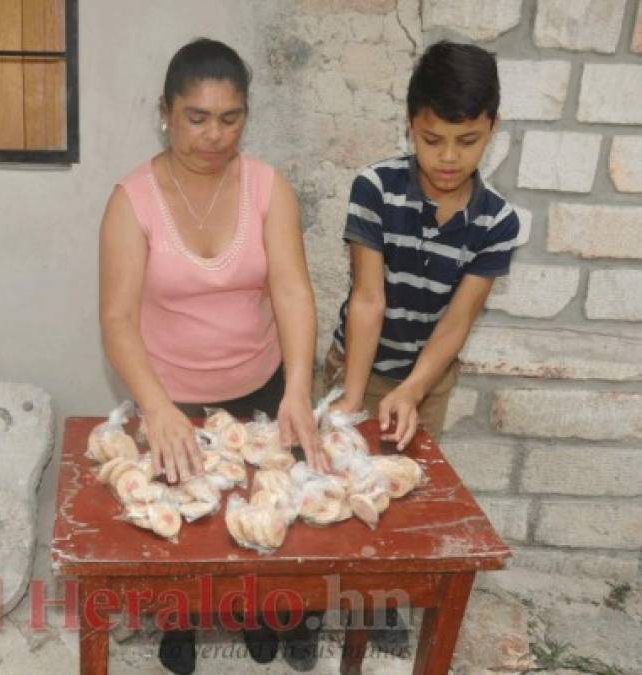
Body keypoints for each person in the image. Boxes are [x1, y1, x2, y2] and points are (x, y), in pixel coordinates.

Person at [98, 38, 323, 674]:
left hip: (262, 385)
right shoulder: (132, 201)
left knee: (267, 508)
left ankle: (256, 610)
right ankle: (182, 623)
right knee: (184, 522)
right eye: (197, 117)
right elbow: (116, 320)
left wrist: (299, 390)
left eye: (230, 118)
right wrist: (156, 408)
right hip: (172, 397)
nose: (213, 136)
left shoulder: (267, 190)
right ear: (165, 112)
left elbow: (292, 291)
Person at [325, 40, 522, 650]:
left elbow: (457, 322)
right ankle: (306, 604)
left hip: (426, 380)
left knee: (394, 497)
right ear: (411, 123)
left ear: (492, 128)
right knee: (326, 483)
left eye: (468, 142)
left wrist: (411, 391)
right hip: (353, 363)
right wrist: (351, 398)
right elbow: (367, 298)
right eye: (432, 139)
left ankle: (380, 604)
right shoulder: (375, 188)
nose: (448, 157)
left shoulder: (498, 222)